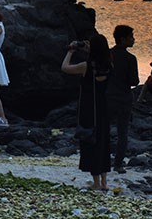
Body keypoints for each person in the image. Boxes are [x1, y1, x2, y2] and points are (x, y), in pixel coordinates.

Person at [62, 33, 111, 191]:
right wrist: (90, 50)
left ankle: (96, 183)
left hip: (89, 108)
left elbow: (65, 68)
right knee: (103, 143)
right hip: (104, 108)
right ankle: (104, 182)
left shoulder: (86, 66)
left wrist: (70, 52)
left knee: (90, 142)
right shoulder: (110, 65)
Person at [108, 24, 139, 172]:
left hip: (108, 96)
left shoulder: (108, 55)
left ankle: (103, 160)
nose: (134, 39)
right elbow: (134, 81)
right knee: (122, 132)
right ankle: (118, 164)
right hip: (124, 97)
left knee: (104, 130)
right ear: (123, 39)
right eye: (131, 37)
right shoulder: (130, 58)